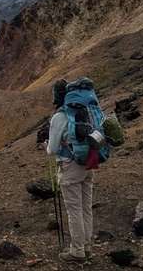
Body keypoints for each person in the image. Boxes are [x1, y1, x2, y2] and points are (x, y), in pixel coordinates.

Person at [46, 78, 94, 263]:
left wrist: (45, 145)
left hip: (69, 166)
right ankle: (87, 246)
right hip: (88, 162)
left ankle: (77, 251)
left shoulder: (59, 116)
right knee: (85, 207)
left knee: (74, 210)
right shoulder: (84, 110)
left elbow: (52, 149)